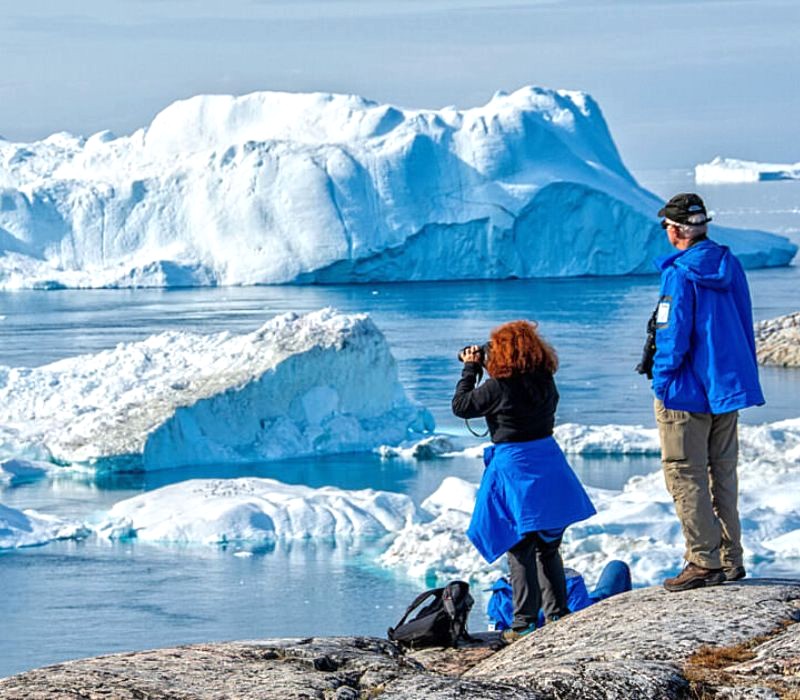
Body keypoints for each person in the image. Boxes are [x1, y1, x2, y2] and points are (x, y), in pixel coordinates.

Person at [452, 320, 596, 642]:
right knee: (549, 545)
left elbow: (461, 407)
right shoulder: (545, 381)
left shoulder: (498, 387)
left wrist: (470, 369)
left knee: (519, 545)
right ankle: (558, 614)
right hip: (548, 462)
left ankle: (524, 624)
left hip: (515, 467)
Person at [649, 193, 764, 592]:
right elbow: (744, 322)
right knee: (723, 473)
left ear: (677, 230)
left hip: (685, 391)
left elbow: (672, 333)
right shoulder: (728, 264)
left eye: (666, 226)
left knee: (686, 471)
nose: (666, 232)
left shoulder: (679, 273)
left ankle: (703, 560)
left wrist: (662, 382)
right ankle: (731, 559)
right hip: (726, 387)